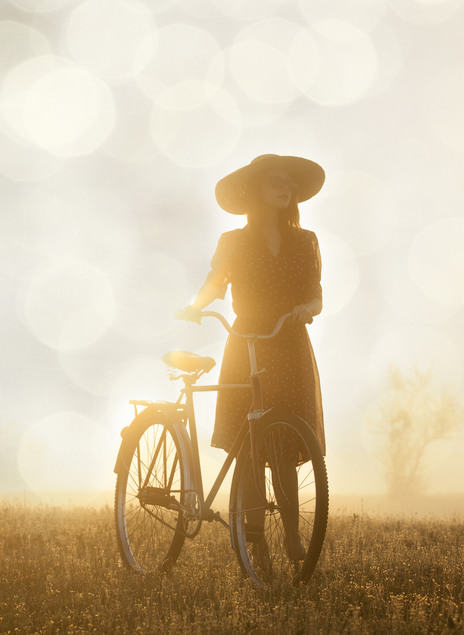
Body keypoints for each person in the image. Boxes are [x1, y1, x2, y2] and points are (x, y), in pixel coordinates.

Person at [175, 153, 326, 574]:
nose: (286, 188)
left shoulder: (306, 240)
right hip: (246, 341)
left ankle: (293, 536)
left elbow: (316, 293)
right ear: (256, 189)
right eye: (276, 181)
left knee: (286, 443)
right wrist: (194, 306)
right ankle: (255, 542)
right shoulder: (233, 242)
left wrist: (307, 309)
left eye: (289, 183)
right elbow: (215, 281)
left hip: (289, 339)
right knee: (251, 444)